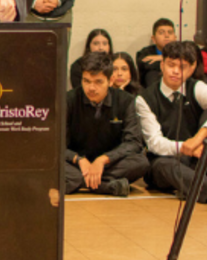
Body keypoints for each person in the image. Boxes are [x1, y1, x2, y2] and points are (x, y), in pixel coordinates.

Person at [135, 41, 207, 204]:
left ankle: (191, 187)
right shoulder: (145, 98)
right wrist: (185, 148)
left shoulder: (196, 87)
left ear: (192, 68)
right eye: (171, 65)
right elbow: (154, 143)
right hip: (167, 161)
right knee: (164, 166)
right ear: (162, 65)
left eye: (182, 67)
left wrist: (198, 141)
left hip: (198, 157)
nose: (175, 71)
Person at [64, 53, 149, 197]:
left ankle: (81, 181)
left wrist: (103, 160)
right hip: (76, 162)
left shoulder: (126, 101)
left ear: (111, 81)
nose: (91, 88)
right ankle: (105, 186)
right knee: (52, 164)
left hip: (109, 162)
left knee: (141, 162)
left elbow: (133, 142)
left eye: (98, 82)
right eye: (86, 81)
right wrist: (78, 159)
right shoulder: (69, 99)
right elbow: (55, 143)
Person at [136, 18, 177, 89]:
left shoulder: (181, 51)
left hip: (176, 86)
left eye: (170, 32)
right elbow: (145, 65)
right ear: (153, 39)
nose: (167, 35)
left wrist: (162, 57)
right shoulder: (145, 52)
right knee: (151, 74)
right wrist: (172, 62)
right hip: (150, 90)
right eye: (162, 33)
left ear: (175, 38)